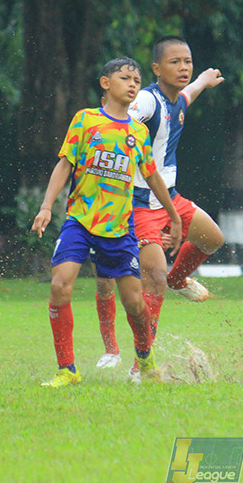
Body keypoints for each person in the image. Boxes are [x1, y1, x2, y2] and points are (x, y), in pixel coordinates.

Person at [31, 57, 182, 388]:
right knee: (60, 286)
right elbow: (64, 165)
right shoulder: (85, 121)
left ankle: (144, 356)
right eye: (125, 78)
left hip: (119, 228)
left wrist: (172, 215)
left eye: (137, 81)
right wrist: (45, 207)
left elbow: (152, 177)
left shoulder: (138, 131)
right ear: (105, 83)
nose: (132, 85)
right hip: (80, 222)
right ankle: (67, 370)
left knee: (134, 302)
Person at [92, 36, 225, 376]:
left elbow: (188, 94)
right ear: (156, 69)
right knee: (153, 281)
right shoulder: (147, 101)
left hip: (169, 198)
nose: (183, 68)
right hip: (137, 203)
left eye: (187, 61)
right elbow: (124, 116)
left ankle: (179, 278)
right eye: (175, 62)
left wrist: (203, 81)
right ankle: (141, 366)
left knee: (213, 239)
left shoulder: (177, 98)